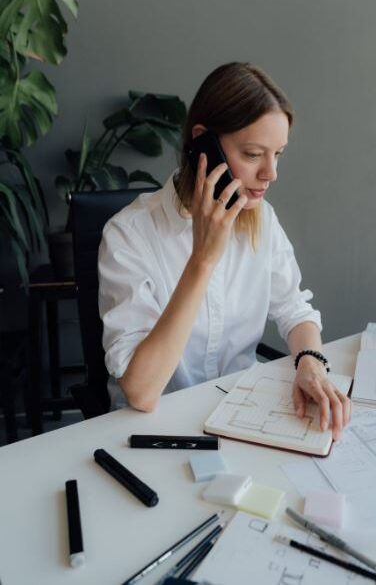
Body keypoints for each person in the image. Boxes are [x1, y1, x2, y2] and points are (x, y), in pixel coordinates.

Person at [98, 62, 351, 440]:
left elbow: (294, 309)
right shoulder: (128, 234)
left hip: (238, 418)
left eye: (278, 153)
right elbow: (141, 392)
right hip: (150, 434)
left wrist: (310, 363)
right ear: (204, 145)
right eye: (253, 154)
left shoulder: (261, 219)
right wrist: (202, 259)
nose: (271, 173)